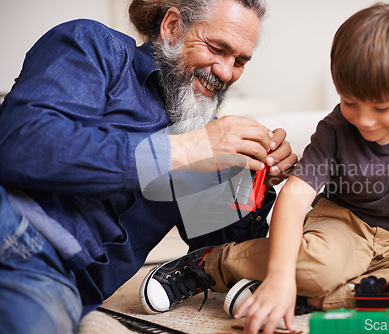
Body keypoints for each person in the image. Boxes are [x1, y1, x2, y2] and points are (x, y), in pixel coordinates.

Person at [140, 3, 389, 334]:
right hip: (343, 230)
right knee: (315, 266)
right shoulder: (335, 128)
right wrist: (279, 278)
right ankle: (213, 263)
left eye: (380, 108)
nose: (363, 120)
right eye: (349, 102)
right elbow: (294, 197)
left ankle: (322, 298)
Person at [0, 0, 297, 333]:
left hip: (56, 283)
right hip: (11, 222)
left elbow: (223, 256)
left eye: (240, 61)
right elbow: (23, 145)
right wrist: (189, 148)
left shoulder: (209, 140)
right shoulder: (96, 47)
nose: (226, 73)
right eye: (217, 48)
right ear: (171, 26)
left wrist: (258, 177)